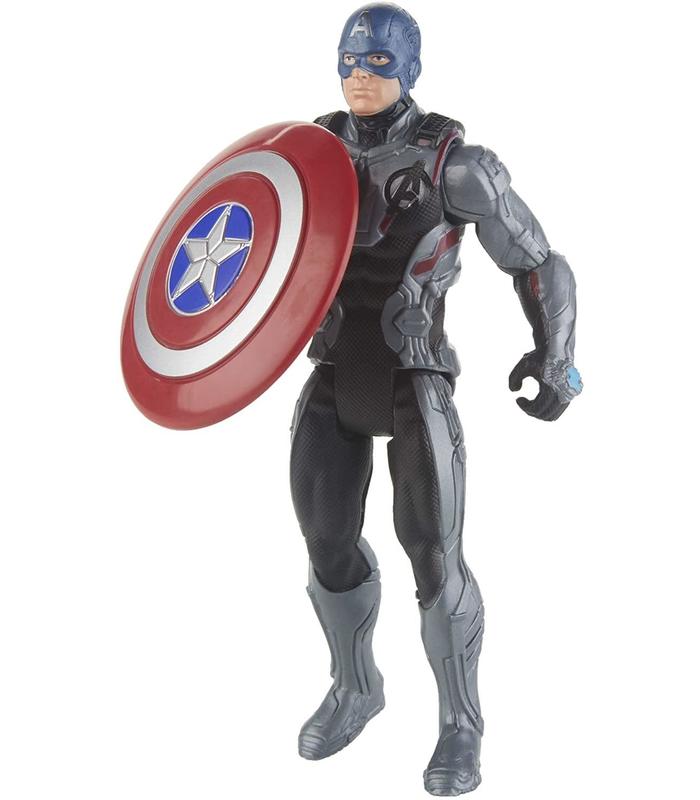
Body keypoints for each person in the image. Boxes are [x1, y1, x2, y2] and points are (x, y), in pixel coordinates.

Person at [289, 4, 582, 795]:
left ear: (410, 69)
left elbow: (539, 262)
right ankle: (356, 689)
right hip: (332, 371)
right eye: (350, 60)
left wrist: (557, 357)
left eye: (380, 61)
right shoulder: (303, 156)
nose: (361, 75)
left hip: (414, 376)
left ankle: (460, 725)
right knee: (326, 545)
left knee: (433, 556)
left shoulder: (456, 165)